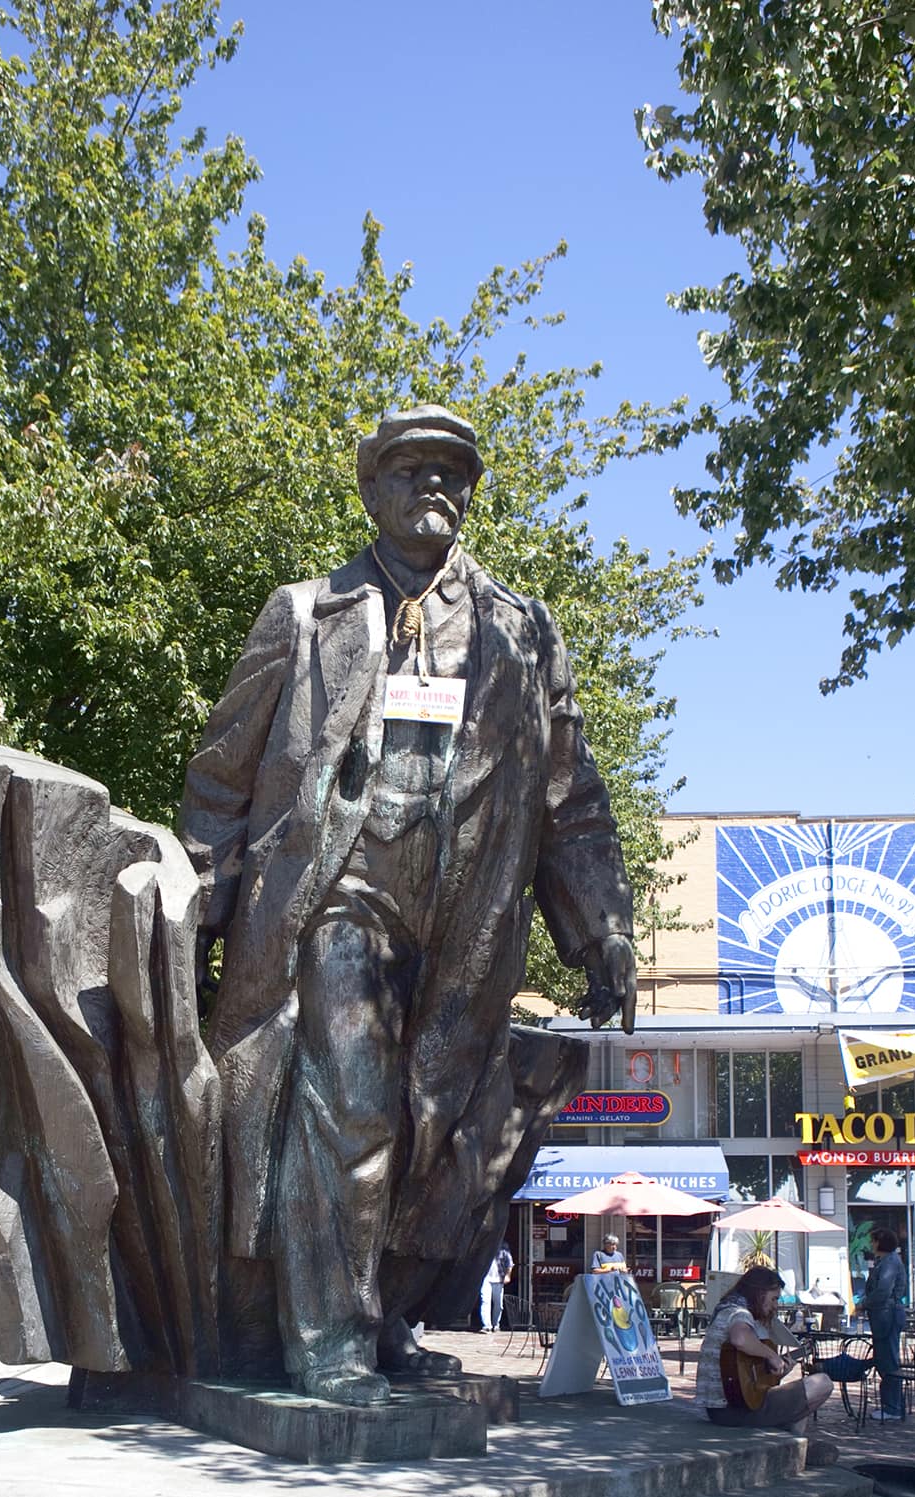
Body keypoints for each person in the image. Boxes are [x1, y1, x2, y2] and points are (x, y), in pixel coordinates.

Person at [181, 405, 637, 1405]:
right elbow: (220, 773)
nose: (434, 485)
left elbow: (570, 793)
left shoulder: (521, 630)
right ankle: (329, 1340)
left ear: (471, 490)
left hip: (468, 916)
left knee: (434, 1124)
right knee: (350, 1105)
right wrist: (197, 897)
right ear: (371, 488)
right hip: (338, 890)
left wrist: (600, 924)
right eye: (410, 468)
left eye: (451, 471)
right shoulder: (305, 614)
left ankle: (379, 1315)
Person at [695, 1266, 835, 1452]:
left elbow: (749, 1377)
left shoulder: (726, 1310)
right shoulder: (738, 1313)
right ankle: (793, 1449)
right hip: (734, 1410)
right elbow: (740, 1339)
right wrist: (771, 1355)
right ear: (759, 1293)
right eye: (774, 1299)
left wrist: (778, 1369)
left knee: (798, 1400)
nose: (775, 1305)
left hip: (722, 1409)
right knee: (822, 1383)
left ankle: (793, 1445)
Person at [861, 1226, 908, 1420]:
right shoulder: (886, 1261)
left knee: (888, 1360)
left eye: (873, 1241)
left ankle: (893, 1407)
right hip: (882, 1314)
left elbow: (883, 1290)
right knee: (885, 1359)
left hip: (887, 1314)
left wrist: (864, 1303)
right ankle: (892, 1405)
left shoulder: (889, 1262)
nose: (871, 1244)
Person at [480, 1242, 515, 1332]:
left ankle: (496, 1324)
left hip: (499, 1278)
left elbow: (510, 1263)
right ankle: (486, 1325)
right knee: (485, 1301)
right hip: (486, 1278)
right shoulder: (485, 1243)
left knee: (498, 1304)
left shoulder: (503, 1246)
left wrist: (508, 1276)